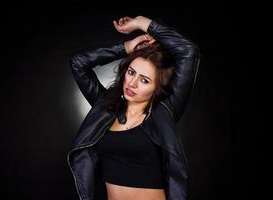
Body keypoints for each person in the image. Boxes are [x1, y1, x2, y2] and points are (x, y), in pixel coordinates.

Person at [67, 16, 200, 200]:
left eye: (145, 80)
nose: (133, 83)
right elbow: (78, 63)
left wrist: (141, 23)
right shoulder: (106, 107)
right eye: (131, 72)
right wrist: (127, 48)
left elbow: (188, 51)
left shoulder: (165, 111)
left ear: (156, 88)